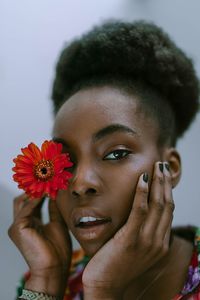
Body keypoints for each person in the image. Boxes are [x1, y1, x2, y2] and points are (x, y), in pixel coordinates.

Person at [8, 20, 200, 300]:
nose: (80, 183)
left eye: (116, 153)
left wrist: (104, 290)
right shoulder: (45, 282)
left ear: (169, 169)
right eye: (66, 160)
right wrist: (48, 277)